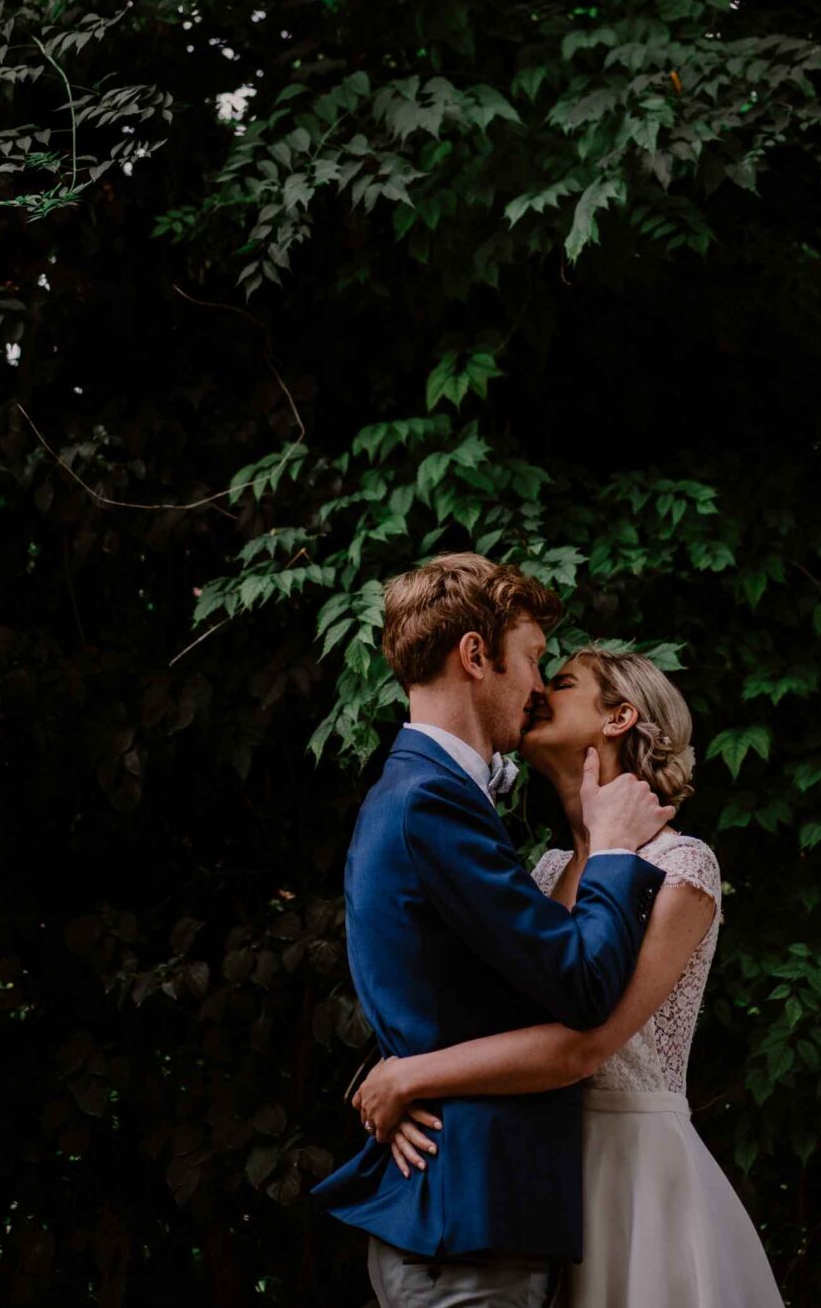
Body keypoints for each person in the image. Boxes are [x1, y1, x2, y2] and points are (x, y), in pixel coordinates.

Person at [353, 645, 785, 1308]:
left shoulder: (682, 866)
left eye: (561, 681)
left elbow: (585, 1047)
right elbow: (471, 1005)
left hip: (636, 1179)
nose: (535, 691)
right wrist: (386, 1074)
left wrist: (410, 1077)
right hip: (532, 1176)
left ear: (619, 716)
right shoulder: (545, 871)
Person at [310, 554, 675, 1308]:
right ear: (476, 656)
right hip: (468, 1224)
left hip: (477, 1222)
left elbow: (435, 987)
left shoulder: (418, 791)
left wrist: (402, 1072)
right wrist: (610, 850)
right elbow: (579, 983)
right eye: (535, 658)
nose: (539, 686)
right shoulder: (429, 800)